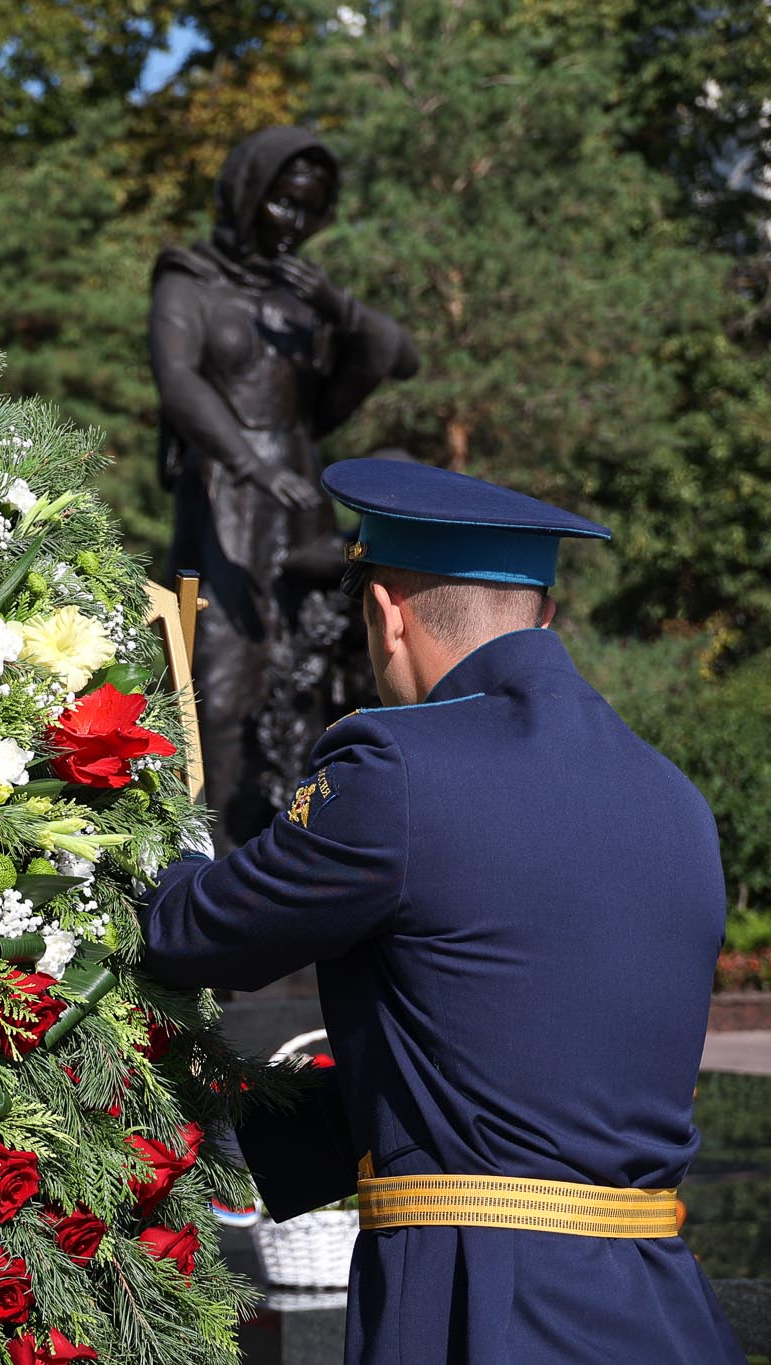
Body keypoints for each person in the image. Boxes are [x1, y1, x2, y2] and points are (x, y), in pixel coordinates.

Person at [139, 458, 743, 1363]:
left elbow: (188, 932)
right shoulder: (676, 802)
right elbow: (510, 1071)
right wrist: (239, 1131)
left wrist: (154, 817)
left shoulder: (398, 773)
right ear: (545, 613)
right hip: (666, 1311)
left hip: (483, 1313)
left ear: (387, 612)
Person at [150, 126, 419, 848]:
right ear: (247, 194)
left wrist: (341, 307)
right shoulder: (189, 278)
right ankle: (207, 863)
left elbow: (401, 357)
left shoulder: (304, 294)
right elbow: (178, 382)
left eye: (310, 208)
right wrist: (251, 464)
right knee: (219, 679)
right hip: (225, 498)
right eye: (282, 203)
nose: (295, 222)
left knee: (303, 674)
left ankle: (294, 855)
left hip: (299, 500)